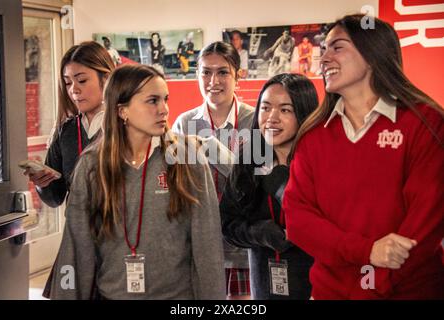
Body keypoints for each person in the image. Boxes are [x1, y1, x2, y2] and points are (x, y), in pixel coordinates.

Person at [283, 14, 444, 299]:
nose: (324, 59)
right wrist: (367, 252)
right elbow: (298, 221)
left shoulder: (425, 124)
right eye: (325, 49)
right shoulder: (313, 136)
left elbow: (426, 222)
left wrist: (377, 283)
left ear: (372, 54)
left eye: (338, 47)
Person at [48, 64, 226, 299]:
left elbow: (208, 245)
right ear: (123, 111)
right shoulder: (92, 166)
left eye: (165, 99)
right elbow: (76, 248)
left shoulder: (187, 157)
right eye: (153, 101)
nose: (164, 109)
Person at [220, 73, 317, 299]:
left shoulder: (321, 161)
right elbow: (228, 223)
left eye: (285, 110)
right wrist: (257, 234)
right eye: (265, 108)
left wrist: (283, 185)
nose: (271, 118)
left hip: (314, 286)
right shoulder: (249, 159)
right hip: (264, 287)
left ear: (304, 114)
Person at [172, 41, 254, 299]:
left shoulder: (256, 121)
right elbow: (174, 182)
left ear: (238, 77)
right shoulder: (185, 123)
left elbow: (256, 182)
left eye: (222, 72)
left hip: (242, 238)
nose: (213, 80)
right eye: (206, 72)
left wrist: (211, 148)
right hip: (199, 240)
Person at [24, 41, 115, 208]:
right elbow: (54, 198)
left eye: (81, 80)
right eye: (68, 83)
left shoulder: (130, 126)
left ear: (107, 79)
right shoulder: (65, 131)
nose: (74, 89)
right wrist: (42, 184)